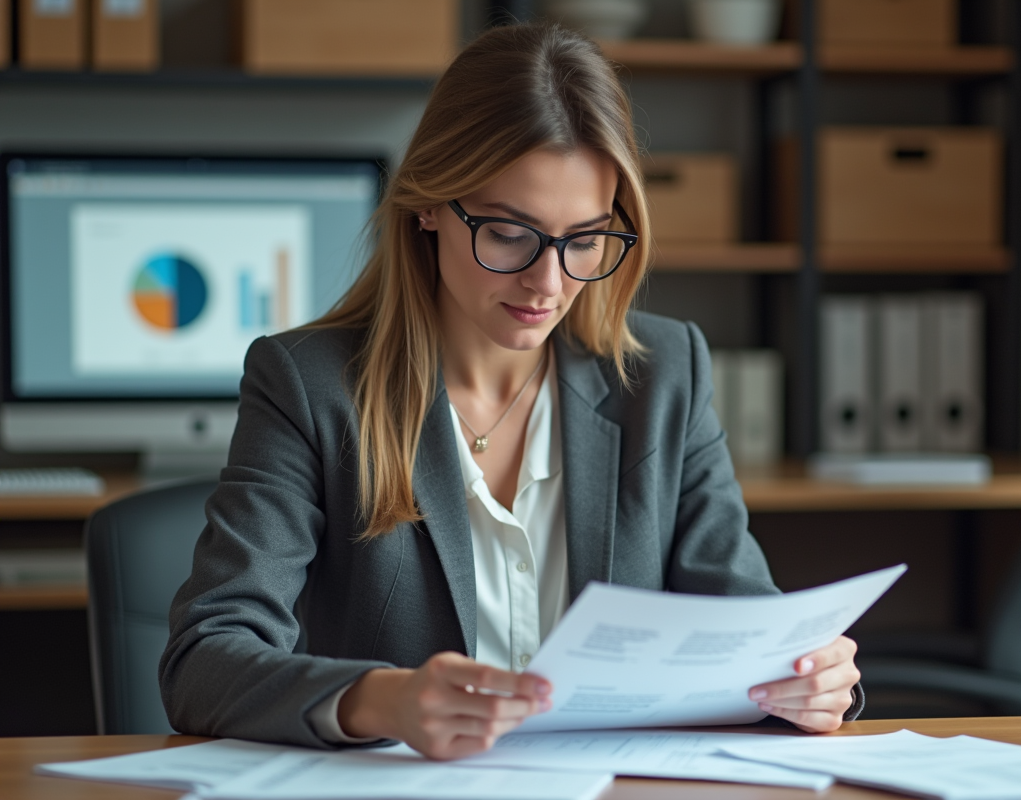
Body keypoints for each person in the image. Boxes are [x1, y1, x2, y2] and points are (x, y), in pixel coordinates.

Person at [160, 21, 862, 761]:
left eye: (584, 239)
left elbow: (747, 627)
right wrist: (385, 700)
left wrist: (809, 681)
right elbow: (203, 659)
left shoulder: (663, 375)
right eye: (509, 234)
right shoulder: (308, 384)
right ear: (429, 206)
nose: (548, 282)